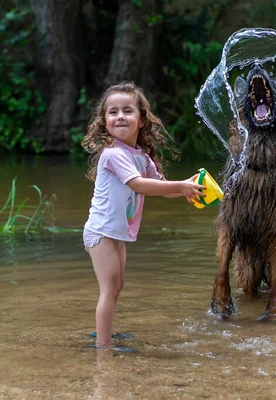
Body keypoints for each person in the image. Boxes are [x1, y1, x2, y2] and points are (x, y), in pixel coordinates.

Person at [81, 82, 204, 351]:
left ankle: (105, 333)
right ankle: (103, 345)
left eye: (127, 111)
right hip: (101, 232)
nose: (120, 116)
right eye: (113, 112)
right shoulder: (113, 154)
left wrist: (185, 187)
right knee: (110, 287)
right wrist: (180, 185)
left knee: (118, 286)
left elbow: (160, 186)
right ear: (104, 121)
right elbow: (138, 185)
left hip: (116, 233)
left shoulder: (141, 157)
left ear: (141, 120)